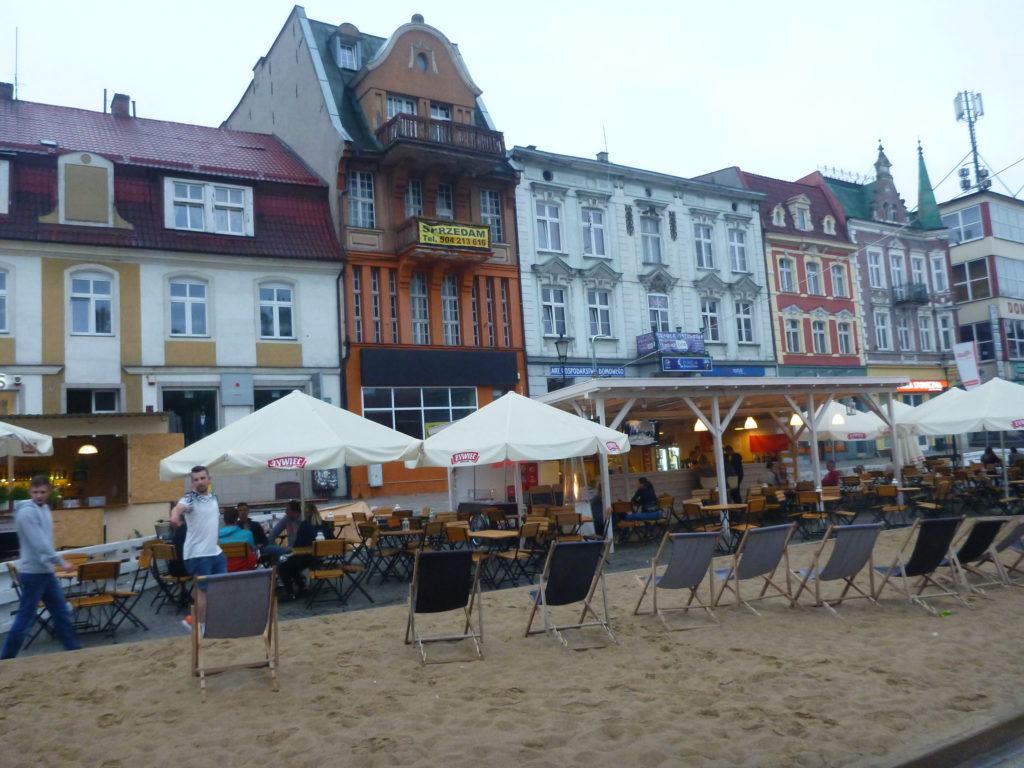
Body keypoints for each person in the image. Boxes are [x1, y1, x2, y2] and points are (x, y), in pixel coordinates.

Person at [1, 475, 81, 660]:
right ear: (30, 492)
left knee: (60, 612)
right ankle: (6, 659)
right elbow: (40, 544)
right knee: (25, 618)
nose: (39, 496)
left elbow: (46, 541)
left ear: (49, 492)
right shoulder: (26, 513)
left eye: (43, 492)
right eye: (35, 492)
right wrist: (61, 562)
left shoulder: (44, 508)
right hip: (33, 574)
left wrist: (54, 563)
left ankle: (75, 651)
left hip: (45, 572)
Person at [169, 466, 226, 634]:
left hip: (215, 552)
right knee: (203, 590)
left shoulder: (214, 497)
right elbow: (178, 507)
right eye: (196, 479)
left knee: (221, 587)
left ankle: (204, 619)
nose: (200, 482)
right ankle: (198, 623)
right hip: (198, 554)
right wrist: (174, 516)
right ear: (192, 482)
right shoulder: (190, 498)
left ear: (209, 479)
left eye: (202, 478)